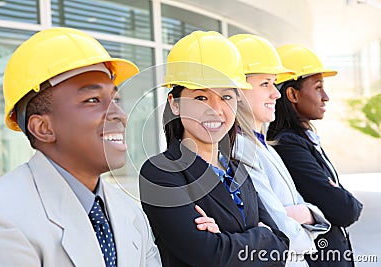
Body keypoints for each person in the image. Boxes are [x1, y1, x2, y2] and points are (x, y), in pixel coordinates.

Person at [0, 27, 161, 267]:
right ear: (43, 128)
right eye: (93, 100)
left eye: (115, 100)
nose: (119, 114)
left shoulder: (130, 211)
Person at [139, 30, 289, 267]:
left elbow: (281, 243)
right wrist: (261, 237)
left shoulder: (237, 168)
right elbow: (207, 256)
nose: (216, 110)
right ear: (174, 104)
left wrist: (225, 239)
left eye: (226, 97)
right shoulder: (160, 173)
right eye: (201, 98)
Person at [229, 34, 331, 267]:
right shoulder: (239, 150)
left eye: (274, 83)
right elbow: (285, 233)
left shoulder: (264, 146)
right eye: (265, 83)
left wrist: (305, 213)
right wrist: (307, 217)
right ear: (236, 89)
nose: (276, 93)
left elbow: (312, 215)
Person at [267, 44, 363, 266]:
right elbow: (344, 210)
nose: (326, 97)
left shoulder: (302, 140)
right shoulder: (288, 144)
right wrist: (338, 194)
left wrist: (336, 192)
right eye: (318, 87)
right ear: (292, 94)